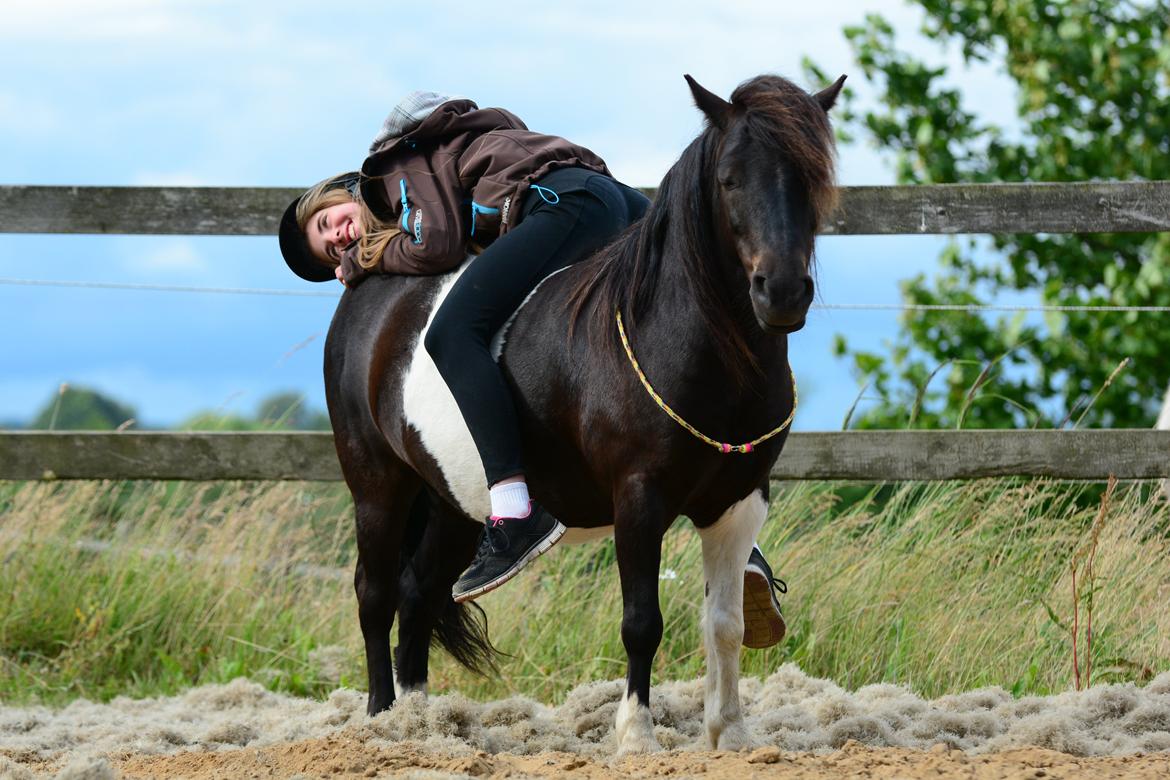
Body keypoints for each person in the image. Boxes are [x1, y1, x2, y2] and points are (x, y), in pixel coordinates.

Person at [278, 92, 787, 645]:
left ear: (338, 195)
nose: (339, 239)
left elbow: (439, 243)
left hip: (563, 208)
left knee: (452, 335)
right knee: (674, 357)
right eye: (331, 251)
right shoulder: (452, 142)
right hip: (620, 201)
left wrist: (363, 261)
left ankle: (511, 507)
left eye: (328, 224)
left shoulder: (390, 171)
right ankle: (741, 535)